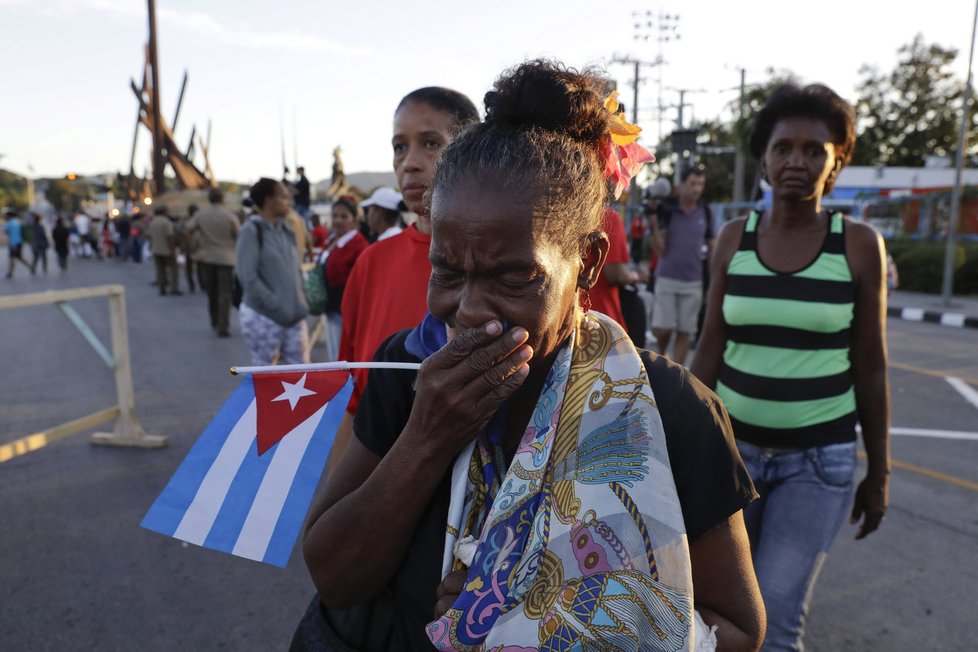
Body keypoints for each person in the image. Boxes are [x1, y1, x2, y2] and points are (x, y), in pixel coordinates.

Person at [301, 60, 765, 652]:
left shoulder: (667, 409)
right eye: (446, 271)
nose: (469, 309)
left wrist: (545, 619)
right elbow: (334, 577)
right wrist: (429, 435)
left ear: (589, 264)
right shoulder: (408, 369)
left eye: (514, 276)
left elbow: (740, 631)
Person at [690, 83, 889, 652]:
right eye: (783, 148)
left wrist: (879, 473)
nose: (796, 162)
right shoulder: (734, 240)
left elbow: (871, 366)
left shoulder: (857, 245)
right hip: (732, 458)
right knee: (718, 614)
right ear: (765, 158)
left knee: (774, 619)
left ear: (837, 162)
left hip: (817, 463)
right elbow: (709, 348)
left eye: (813, 150)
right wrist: (679, 439)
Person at [329, 86, 480, 466]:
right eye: (399, 146)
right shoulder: (371, 262)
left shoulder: (491, 267)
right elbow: (354, 390)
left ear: (471, 149)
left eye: (430, 143)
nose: (409, 163)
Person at [235, 178, 309, 365]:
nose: (289, 201)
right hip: (264, 317)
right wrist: (275, 305)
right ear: (268, 200)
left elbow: (296, 270)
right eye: (284, 197)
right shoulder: (251, 231)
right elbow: (247, 277)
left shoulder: (286, 231)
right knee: (267, 380)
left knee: (300, 380)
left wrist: (301, 301)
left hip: (294, 319)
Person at [650, 167, 713, 366]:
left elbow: (712, 247)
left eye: (700, 184)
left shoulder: (705, 212)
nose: (697, 189)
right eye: (693, 183)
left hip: (693, 280)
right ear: (682, 185)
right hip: (667, 277)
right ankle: (662, 354)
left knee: (686, 330)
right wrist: (653, 223)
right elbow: (660, 250)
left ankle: (677, 372)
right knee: (663, 328)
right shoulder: (669, 211)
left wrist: (712, 281)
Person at [187, 188, 240, 337]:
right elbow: (239, 236)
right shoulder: (229, 216)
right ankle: (224, 325)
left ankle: (214, 320)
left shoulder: (201, 215)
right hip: (227, 258)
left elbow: (187, 230)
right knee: (225, 292)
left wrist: (192, 249)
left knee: (212, 292)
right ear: (222, 199)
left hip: (207, 258)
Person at [321, 194, 369, 360]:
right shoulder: (333, 239)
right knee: (333, 354)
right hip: (332, 309)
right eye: (335, 215)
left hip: (345, 312)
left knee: (342, 359)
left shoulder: (359, 245)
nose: (338, 220)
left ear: (354, 219)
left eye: (344, 216)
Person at [149, 207, 180, 295]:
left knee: (160, 270)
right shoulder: (166, 222)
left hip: (156, 249)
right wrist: (172, 250)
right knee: (174, 269)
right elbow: (169, 236)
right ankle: (174, 288)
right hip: (166, 250)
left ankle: (162, 288)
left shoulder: (152, 222)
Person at [5, 212, 33, 278]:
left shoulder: (10, 224)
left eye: (6, 216)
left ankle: (10, 272)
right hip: (19, 242)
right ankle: (31, 267)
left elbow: (7, 232)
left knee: (12, 258)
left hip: (13, 243)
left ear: (9, 216)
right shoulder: (17, 222)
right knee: (18, 257)